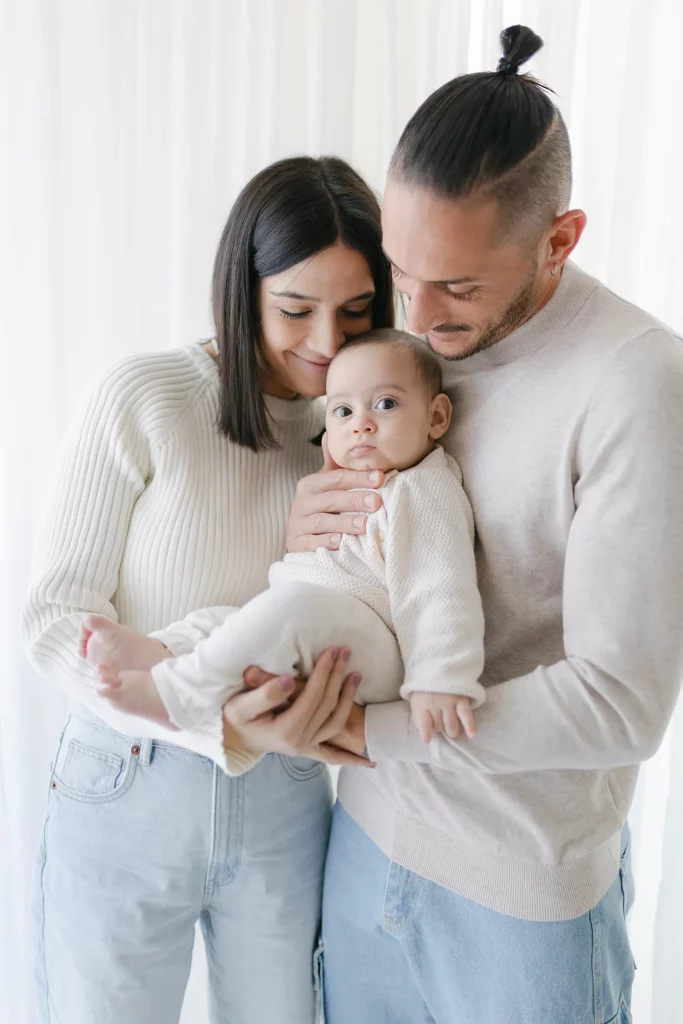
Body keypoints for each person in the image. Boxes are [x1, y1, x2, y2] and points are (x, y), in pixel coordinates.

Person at [284, 26, 683, 1024]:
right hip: (362, 843)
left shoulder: (634, 382)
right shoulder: (409, 331)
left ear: (559, 238)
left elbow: (620, 701)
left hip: (519, 898)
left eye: (456, 286)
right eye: (401, 268)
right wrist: (310, 527)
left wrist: (372, 734)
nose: (413, 312)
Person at [21, 155, 393, 1024]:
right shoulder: (147, 396)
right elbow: (50, 618)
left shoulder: (372, 430)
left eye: (357, 310)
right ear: (241, 287)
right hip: (129, 778)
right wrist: (197, 718)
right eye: (295, 310)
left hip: (286, 791)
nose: (327, 343)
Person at [84, 328, 485, 763]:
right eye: (343, 411)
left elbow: (441, 586)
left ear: (437, 418)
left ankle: (179, 693)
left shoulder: (424, 488)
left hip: (381, 648)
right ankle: (161, 651)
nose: (361, 424)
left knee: (290, 608)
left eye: (386, 404)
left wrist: (440, 678)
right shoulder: (343, 482)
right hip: (319, 625)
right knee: (224, 620)